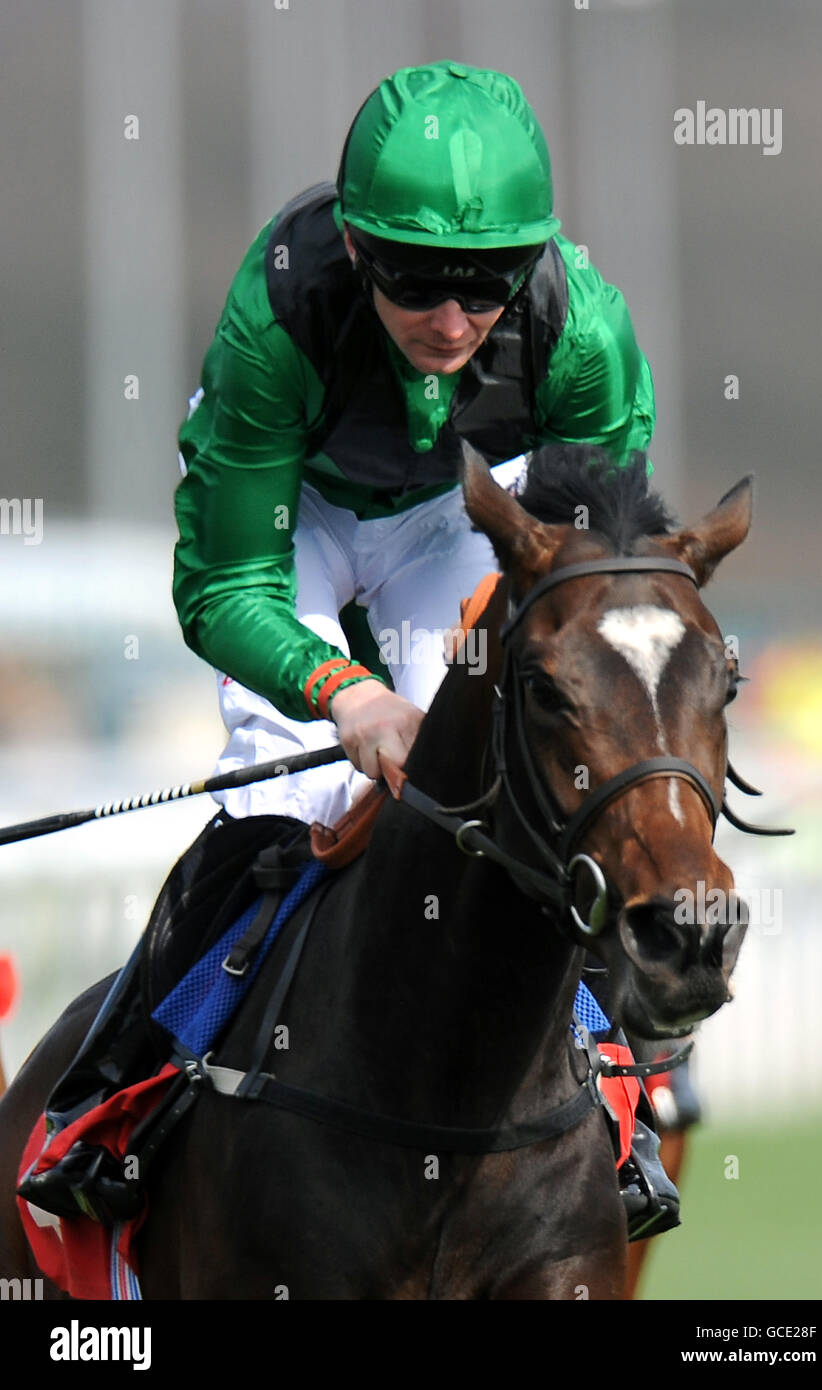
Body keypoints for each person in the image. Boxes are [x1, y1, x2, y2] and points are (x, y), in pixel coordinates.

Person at [20, 61, 669, 1234]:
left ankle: (615, 1087)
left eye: (487, 283)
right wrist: (340, 689)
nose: (456, 320)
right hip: (293, 521)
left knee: (486, 795)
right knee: (304, 797)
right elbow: (224, 583)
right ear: (362, 252)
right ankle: (112, 1092)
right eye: (421, 281)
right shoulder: (279, 315)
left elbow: (596, 578)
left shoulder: (584, 338)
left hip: (457, 514)